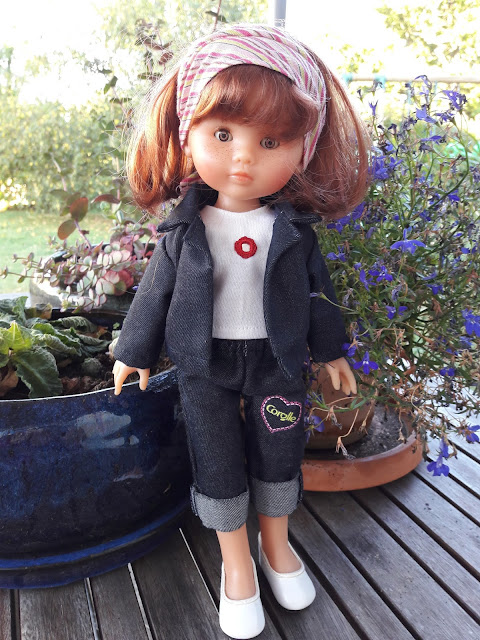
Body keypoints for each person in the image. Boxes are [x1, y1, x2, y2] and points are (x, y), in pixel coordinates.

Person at [113, 24, 370, 639]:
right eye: (223, 134)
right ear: (187, 134)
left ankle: (277, 547)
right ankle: (237, 565)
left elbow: (318, 295)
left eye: (271, 140)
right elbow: (154, 294)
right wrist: (134, 350)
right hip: (203, 365)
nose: (244, 157)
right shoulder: (185, 231)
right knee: (217, 459)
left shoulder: (293, 232)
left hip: (279, 363)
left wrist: (331, 352)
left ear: (303, 150)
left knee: (279, 452)